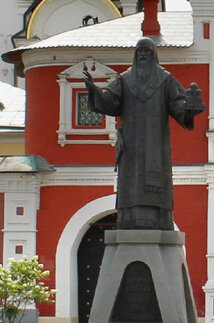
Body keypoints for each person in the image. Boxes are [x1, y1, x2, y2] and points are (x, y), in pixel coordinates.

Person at [82, 37, 205, 230]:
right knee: (130, 183)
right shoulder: (125, 79)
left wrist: (189, 108)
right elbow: (111, 102)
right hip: (130, 146)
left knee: (156, 183)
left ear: (153, 55)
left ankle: (159, 222)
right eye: (139, 52)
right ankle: (128, 222)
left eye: (147, 51)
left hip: (156, 146)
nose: (143, 55)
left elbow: (178, 106)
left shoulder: (165, 80)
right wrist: (93, 89)